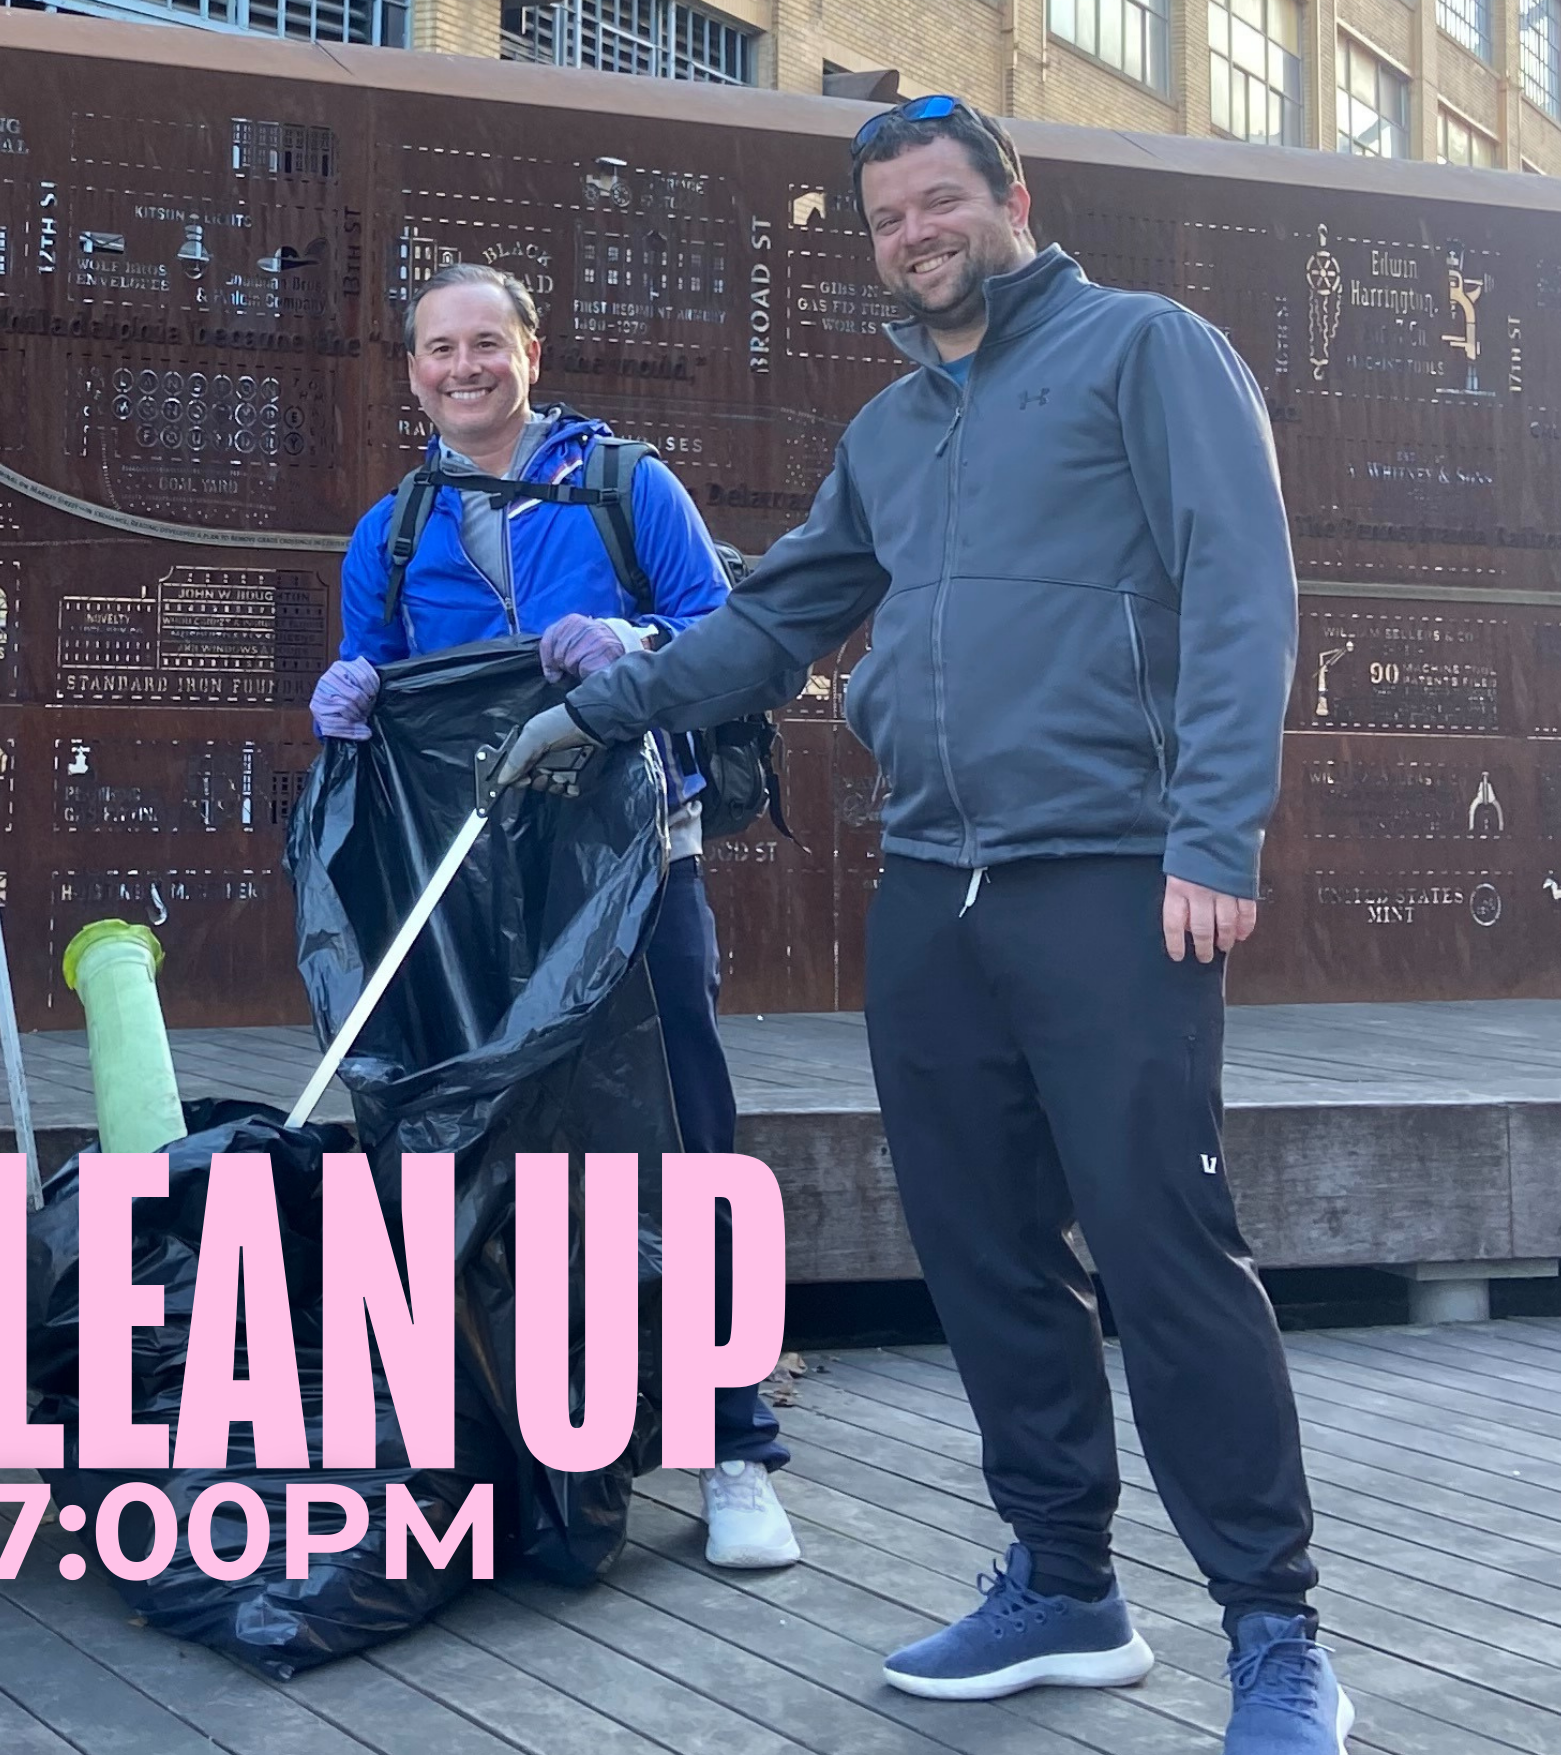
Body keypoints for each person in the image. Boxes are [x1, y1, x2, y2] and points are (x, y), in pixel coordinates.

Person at [501, 98, 1342, 1751]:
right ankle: (1064, 1584)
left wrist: (1215, 832)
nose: (916, 234)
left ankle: (1275, 1628)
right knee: (981, 1250)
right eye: (889, 217)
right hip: (933, 886)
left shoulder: (1147, 351)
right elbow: (773, 620)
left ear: (1013, 199)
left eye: (942, 202)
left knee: (1165, 1252)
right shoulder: (890, 430)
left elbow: (1242, 581)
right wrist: (605, 717)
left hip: (1116, 873)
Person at [311, 261, 802, 1571]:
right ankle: (518, 1438)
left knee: (684, 1134)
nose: (463, 369)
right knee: (495, 1144)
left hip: (642, 858)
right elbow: (379, 687)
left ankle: (735, 1443)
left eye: (486, 344)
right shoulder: (394, 528)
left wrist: (634, 647)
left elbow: (725, 633)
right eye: (437, 351)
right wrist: (352, 693)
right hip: (477, 883)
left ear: (531, 351)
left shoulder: (629, 487)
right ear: (411, 370)